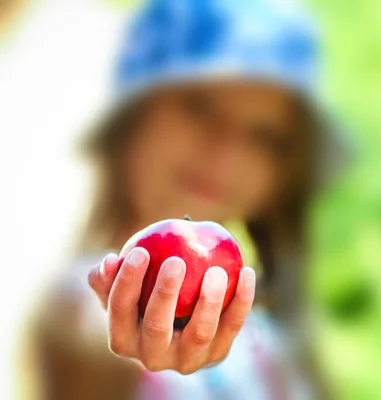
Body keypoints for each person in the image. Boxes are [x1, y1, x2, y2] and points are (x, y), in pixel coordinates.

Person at [25, 0, 350, 399]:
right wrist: (132, 342)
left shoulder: (270, 332)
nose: (226, 152)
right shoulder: (77, 298)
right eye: (202, 107)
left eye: (265, 136)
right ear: (133, 115)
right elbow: (81, 341)